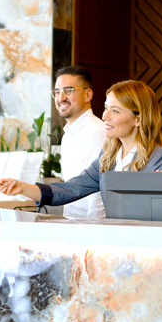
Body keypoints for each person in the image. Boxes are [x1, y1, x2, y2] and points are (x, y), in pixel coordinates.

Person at [0, 80, 162, 207]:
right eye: (106, 108)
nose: (105, 116)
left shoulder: (159, 157)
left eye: (115, 111)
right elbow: (71, 189)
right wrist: (23, 187)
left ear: (138, 119)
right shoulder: (108, 156)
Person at [52, 65, 107, 220]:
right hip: (72, 223)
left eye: (68, 91)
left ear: (88, 94)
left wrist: (92, 232)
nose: (61, 98)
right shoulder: (68, 134)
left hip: (89, 228)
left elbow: (99, 190)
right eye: (57, 92)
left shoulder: (96, 132)